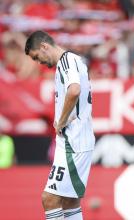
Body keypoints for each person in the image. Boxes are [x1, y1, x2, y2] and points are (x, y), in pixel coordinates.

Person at [25, 31, 95, 220]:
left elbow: (74, 90)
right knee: (70, 202)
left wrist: (62, 120)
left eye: (37, 57)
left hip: (74, 141)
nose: (39, 62)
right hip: (76, 140)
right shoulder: (71, 62)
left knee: (49, 199)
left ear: (44, 47)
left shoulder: (67, 60)